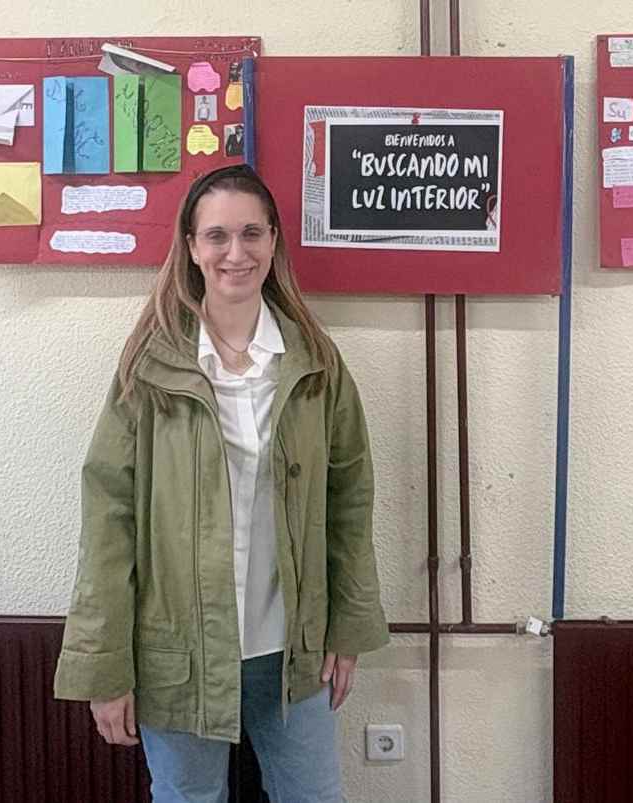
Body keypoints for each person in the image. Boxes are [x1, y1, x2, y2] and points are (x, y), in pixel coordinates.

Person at [54, 164, 389, 803]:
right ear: (191, 248)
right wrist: (104, 667)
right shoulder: (148, 369)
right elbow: (107, 521)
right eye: (217, 237)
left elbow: (351, 501)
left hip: (294, 651)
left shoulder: (316, 364)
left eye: (251, 234)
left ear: (273, 243)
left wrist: (347, 629)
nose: (236, 253)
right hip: (176, 652)